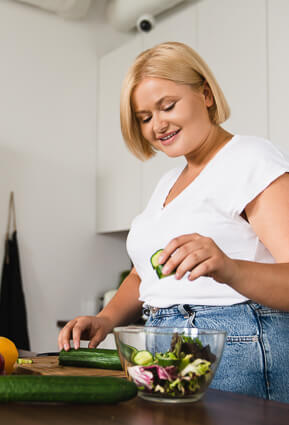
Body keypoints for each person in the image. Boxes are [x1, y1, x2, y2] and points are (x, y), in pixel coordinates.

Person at [58, 41, 289, 402]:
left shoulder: (251, 158)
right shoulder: (168, 182)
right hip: (160, 342)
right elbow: (143, 275)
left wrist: (227, 267)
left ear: (207, 94)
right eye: (145, 117)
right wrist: (105, 319)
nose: (158, 125)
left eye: (168, 106)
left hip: (234, 345)